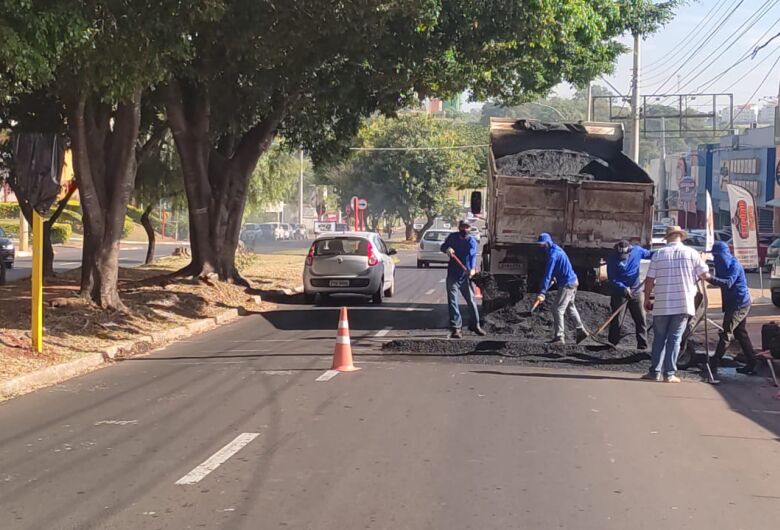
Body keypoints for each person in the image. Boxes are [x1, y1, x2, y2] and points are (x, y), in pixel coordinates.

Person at [643, 226, 710, 383]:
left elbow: (649, 279)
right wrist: (704, 262)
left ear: (668, 238)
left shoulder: (659, 254)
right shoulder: (692, 254)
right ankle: (670, 374)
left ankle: (654, 372)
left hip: (661, 304)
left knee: (659, 339)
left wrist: (647, 299)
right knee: (674, 339)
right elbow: (704, 275)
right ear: (681, 237)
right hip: (683, 304)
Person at [707, 241, 758, 379]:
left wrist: (709, 278)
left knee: (726, 333)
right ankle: (752, 363)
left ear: (725, 254)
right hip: (732, 303)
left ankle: (714, 362)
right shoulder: (720, 263)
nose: (716, 259)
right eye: (714, 256)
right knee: (740, 333)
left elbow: (728, 283)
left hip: (739, 304)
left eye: (718, 255)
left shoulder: (734, 265)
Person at [534, 233, 588, 344]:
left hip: (567, 284)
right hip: (573, 280)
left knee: (557, 309)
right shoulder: (555, 249)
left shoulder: (553, 255)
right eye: (540, 245)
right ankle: (580, 330)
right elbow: (558, 268)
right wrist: (556, 275)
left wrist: (542, 292)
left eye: (543, 245)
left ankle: (559, 337)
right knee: (570, 307)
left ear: (548, 243)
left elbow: (547, 274)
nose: (541, 247)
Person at [441, 220, 485, 339]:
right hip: (453, 275)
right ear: (459, 227)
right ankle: (456, 328)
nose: (465, 229)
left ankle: (475, 325)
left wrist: (471, 269)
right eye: (463, 227)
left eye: (467, 227)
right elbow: (443, 246)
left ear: (469, 229)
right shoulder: (452, 237)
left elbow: (472, 256)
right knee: (453, 301)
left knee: (471, 300)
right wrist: (447, 249)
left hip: (465, 276)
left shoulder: (471, 241)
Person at [606, 240, 650, 349]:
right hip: (619, 292)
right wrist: (623, 288)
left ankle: (642, 345)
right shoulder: (612, 258)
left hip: (636, 290)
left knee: (641, 319)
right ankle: (612, 344)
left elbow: (651, 254)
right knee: (617, 319)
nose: (622, 257)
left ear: (629, 251)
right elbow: (612, 278)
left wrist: (663, 254)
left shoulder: (637, 251)